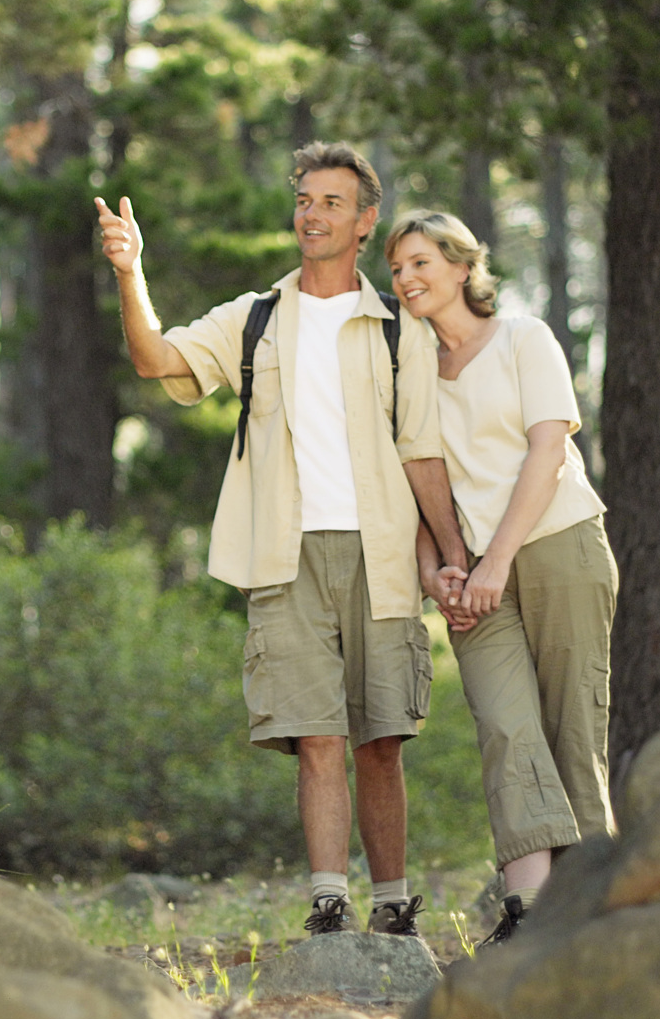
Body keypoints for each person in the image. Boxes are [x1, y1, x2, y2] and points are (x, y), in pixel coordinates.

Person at [95, 143, 469, 938]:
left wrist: (456, 559)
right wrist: (131, 272)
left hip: (384, 555)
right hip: (284, 555)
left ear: (365, 222)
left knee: (381, 740)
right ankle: (330, 898)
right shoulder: (255, 318)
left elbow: (424, 452)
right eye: (304, 199)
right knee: (317, 736)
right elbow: (154, 357)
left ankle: (396, 902)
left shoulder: (402, 325)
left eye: (331, 202)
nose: (312, 213)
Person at [386, 209, 617, 944]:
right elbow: (414, 484)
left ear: (462, 266)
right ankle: (530, 917)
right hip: (476, 580)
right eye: (396, 269)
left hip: (556, 547)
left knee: (571, 731)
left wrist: (496, 560)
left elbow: (548, 450)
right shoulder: (411, 372)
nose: (407, 278)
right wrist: (438, 571)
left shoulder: (524, 337)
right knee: (504, 729)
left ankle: (592, 915)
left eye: (421, 261)